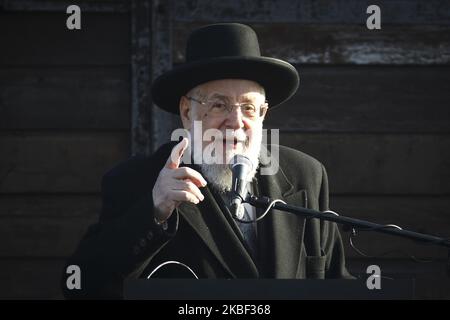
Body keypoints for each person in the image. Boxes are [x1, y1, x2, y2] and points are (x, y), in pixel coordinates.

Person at [62, 23, 352, 299]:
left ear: (263, 114)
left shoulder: (305, 176)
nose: (236, 122)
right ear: (187, 112)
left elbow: (336, 285)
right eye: (219, 105)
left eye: (249, 108)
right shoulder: (138, 180)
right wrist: (153, 212)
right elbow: (83, 287)